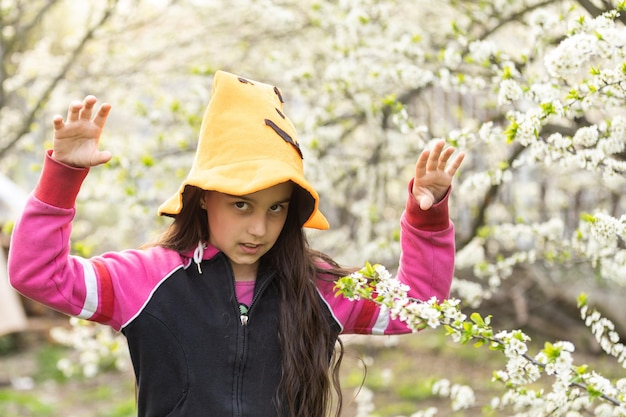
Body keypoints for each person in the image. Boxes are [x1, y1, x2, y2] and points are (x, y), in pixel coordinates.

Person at [8, 70, 465, 417]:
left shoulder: (320, 289)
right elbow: (39, 275)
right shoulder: (145, 280)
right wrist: (63, 176)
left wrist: (427, 214)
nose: (259, 229)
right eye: (242, 206)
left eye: (276, 208)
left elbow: (417, 306)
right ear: (204, 198)